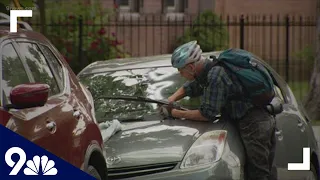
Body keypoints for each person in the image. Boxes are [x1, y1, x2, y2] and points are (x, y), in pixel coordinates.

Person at [159, 40, 277, 180]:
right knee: (262, 172)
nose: (180, 74)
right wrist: (170, 100)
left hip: (254, 125)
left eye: (180, 70)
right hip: (258, 121)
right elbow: (192, 87)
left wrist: (175, 113)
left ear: (191, 67)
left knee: (259, 174)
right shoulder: (210, 70)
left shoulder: (215, 75)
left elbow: (207, 114)